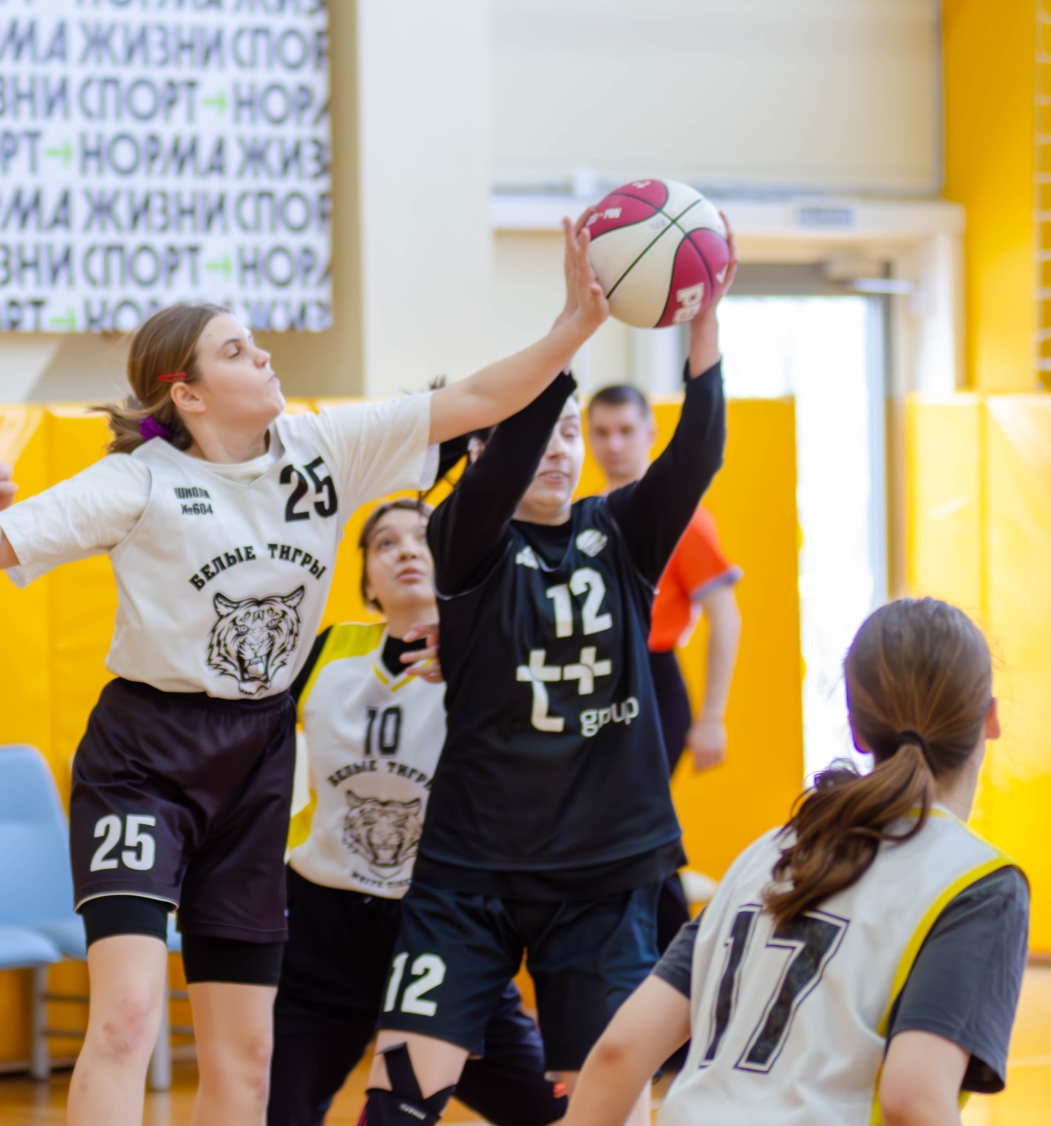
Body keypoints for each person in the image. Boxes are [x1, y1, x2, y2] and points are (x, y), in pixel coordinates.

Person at [0, 216, 609, 1126]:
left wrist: (575, 325)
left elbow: (477, 397)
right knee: (129, 1018)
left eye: (255, 341)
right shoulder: (138, 481)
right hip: (147, 754)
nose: (263, 356)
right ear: (186, 393)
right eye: (236, 350)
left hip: (258, 753)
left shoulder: (323, 449)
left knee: (247, 1054)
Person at [357, 220, 738, 1126]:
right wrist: (573, 330)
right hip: (468, 874)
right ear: (485, 452)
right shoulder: (461, 540)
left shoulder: (624, 532)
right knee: (399, 1101)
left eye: (573, 434)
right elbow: (499, 472)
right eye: (543, 434)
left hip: (604, 874)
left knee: (601, 1108)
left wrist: (702, 323)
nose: (560, 449)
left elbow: (699, 455)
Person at [560, 597, 1029, 1126]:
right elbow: (915, 1098)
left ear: (857, 729)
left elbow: (619, 1051)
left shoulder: (767, 853)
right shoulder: (977, 882)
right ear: (990, 718)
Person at [270, 494, 567, 1126]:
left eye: (424, 538)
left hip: (441, 925)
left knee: (547, 1110)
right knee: (276, 1109)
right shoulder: (325, 652)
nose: (406, 549)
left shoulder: (493, 656)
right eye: (386, 542)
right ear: (366, 582)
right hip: (324, 925)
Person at [585, 381, 744, 1060]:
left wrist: (712, 718)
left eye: (627, 430)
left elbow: (726, 616)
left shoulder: (683, 516)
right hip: (599, 685)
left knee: (642, 848)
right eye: (602, 432)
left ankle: (688, 1013)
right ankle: (659, 1014)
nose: (614, 445)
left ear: (652, 434)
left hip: (653, 685)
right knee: (628, 850)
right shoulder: (589, 514)